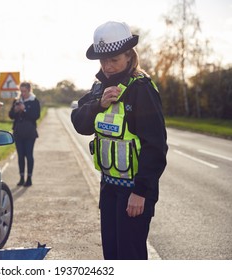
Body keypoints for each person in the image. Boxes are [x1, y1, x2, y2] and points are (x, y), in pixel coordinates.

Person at [71, 21, 168, 260]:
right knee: (112, 256)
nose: (107, 66)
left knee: (130, 256)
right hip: (109, 188)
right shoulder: (98, 88)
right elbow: (79, 122)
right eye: (103, 61)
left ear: (129, 56)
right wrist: (99, 105)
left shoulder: (142, 89)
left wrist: (141, 193)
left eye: (113, 60)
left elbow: (155, 146)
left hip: (135, 192)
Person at [9, 82, 41, 187]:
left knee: (29, 155)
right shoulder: (17, 101)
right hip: (18, 132)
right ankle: (21, 177)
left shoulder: (34, 101)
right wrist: (15, 110)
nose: (22, 93)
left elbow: (36, 116)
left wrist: (25, 110)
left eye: (24, 91)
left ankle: (29, 178)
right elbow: (11, 116)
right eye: (21, 91)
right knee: (20, 156)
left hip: (30, 132)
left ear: (29, 90)